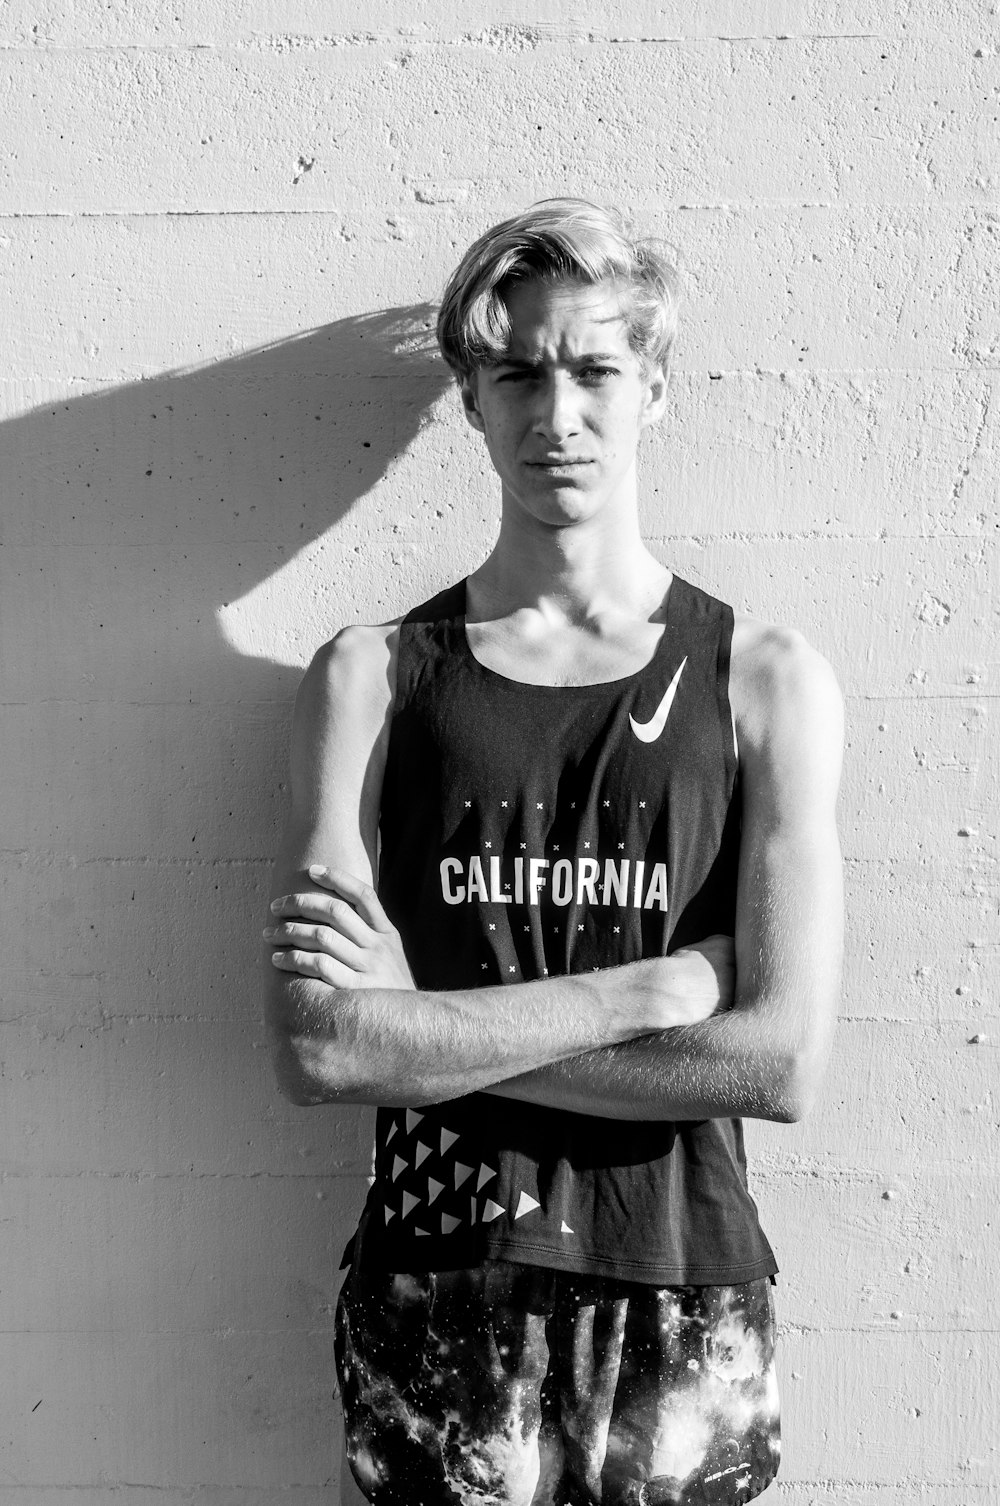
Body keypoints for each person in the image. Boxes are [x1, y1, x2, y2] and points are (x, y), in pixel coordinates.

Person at [263, 199, 844, 1506]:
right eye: (517, 372)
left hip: (684, 1292)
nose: (556, 412)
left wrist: (427, 1023)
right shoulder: (374, 679)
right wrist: (647, 994)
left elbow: (779, 1060)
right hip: (437, 1291)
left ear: (655, 385)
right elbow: (324, 1048)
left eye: (592, 369)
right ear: (472, 398)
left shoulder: (760, 679)